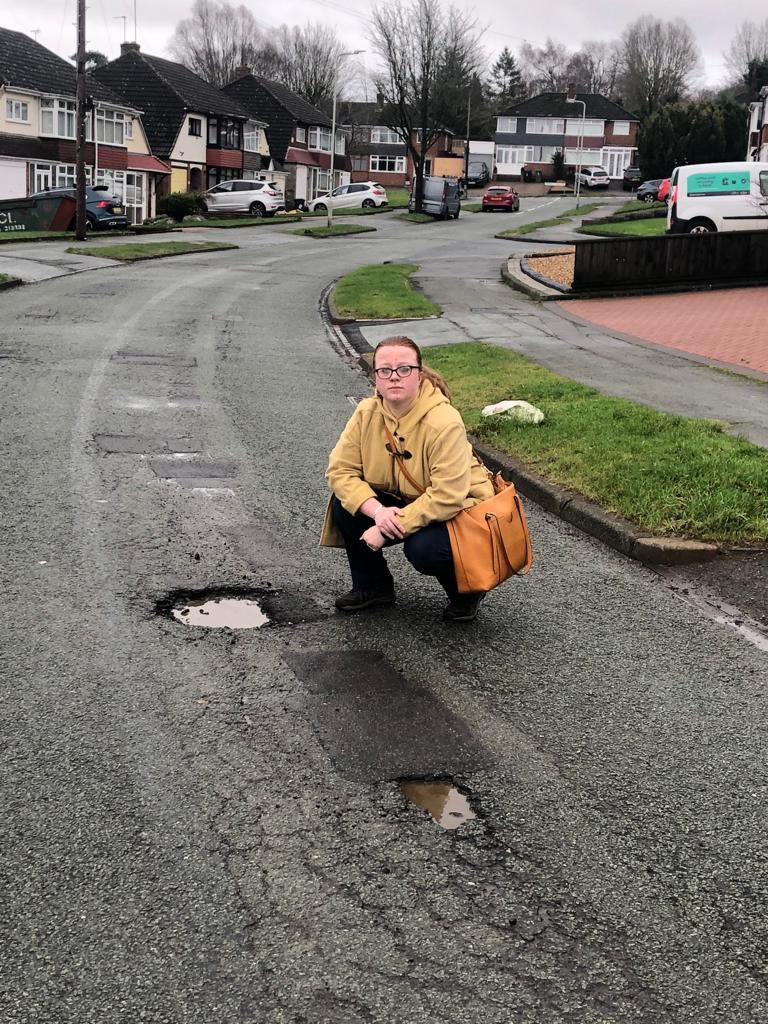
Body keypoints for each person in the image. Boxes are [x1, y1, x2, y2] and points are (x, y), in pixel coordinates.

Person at [320, 336, 495, 622]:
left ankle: (466, 592)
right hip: (402, 499)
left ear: (419, 374)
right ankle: (373, 586)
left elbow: (447, 496)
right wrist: (378, 512)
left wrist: (385, 528)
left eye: (404, 369)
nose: (394, 377)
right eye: (385, 370)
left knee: (424, 549)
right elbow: (340, 470)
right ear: (376, 376)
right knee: (346, 506)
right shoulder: (366, 413)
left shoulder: (444, 421)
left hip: (460, 508)